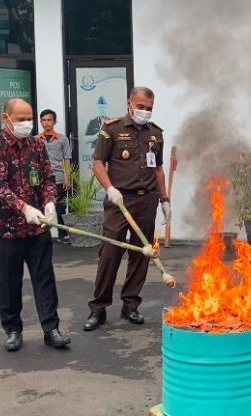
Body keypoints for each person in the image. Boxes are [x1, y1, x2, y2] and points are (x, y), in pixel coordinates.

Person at [0, 98, 70, 352]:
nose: (26, 124)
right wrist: (24, 208)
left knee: (45, 279)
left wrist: (49, 202)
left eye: (29, 119)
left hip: (37, 228)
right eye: (21, 119)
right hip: (4, 230)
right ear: (6, 118)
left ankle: (51, 329)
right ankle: (12, 330)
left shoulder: (37, 145)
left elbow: (48, 178)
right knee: (8, 283)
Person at [84, 86, 171, 331]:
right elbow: (98, 163)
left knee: (142, 254)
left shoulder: (156, 134)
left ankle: (130, 305)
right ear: (129, 104)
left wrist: (164, 200)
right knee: (110, 254)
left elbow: (158, 169)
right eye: (140, 106)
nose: (145, 111)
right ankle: (98, 308)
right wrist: (110, 189)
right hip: (119, 201)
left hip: (146, 201)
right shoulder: (111, 129)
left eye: (149, 108)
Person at [39, 109, 72, 243]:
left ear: (54, 121)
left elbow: (67, 159)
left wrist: (67, 178)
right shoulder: (35, 140)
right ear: (41, 122)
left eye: (49, 120)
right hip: (41, 180)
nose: (46, 123)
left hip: (58, 178)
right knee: (42, 208)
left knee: (61, 208)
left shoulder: (62, 139)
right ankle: (41, 235)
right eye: (44, 120)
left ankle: (63, 234)